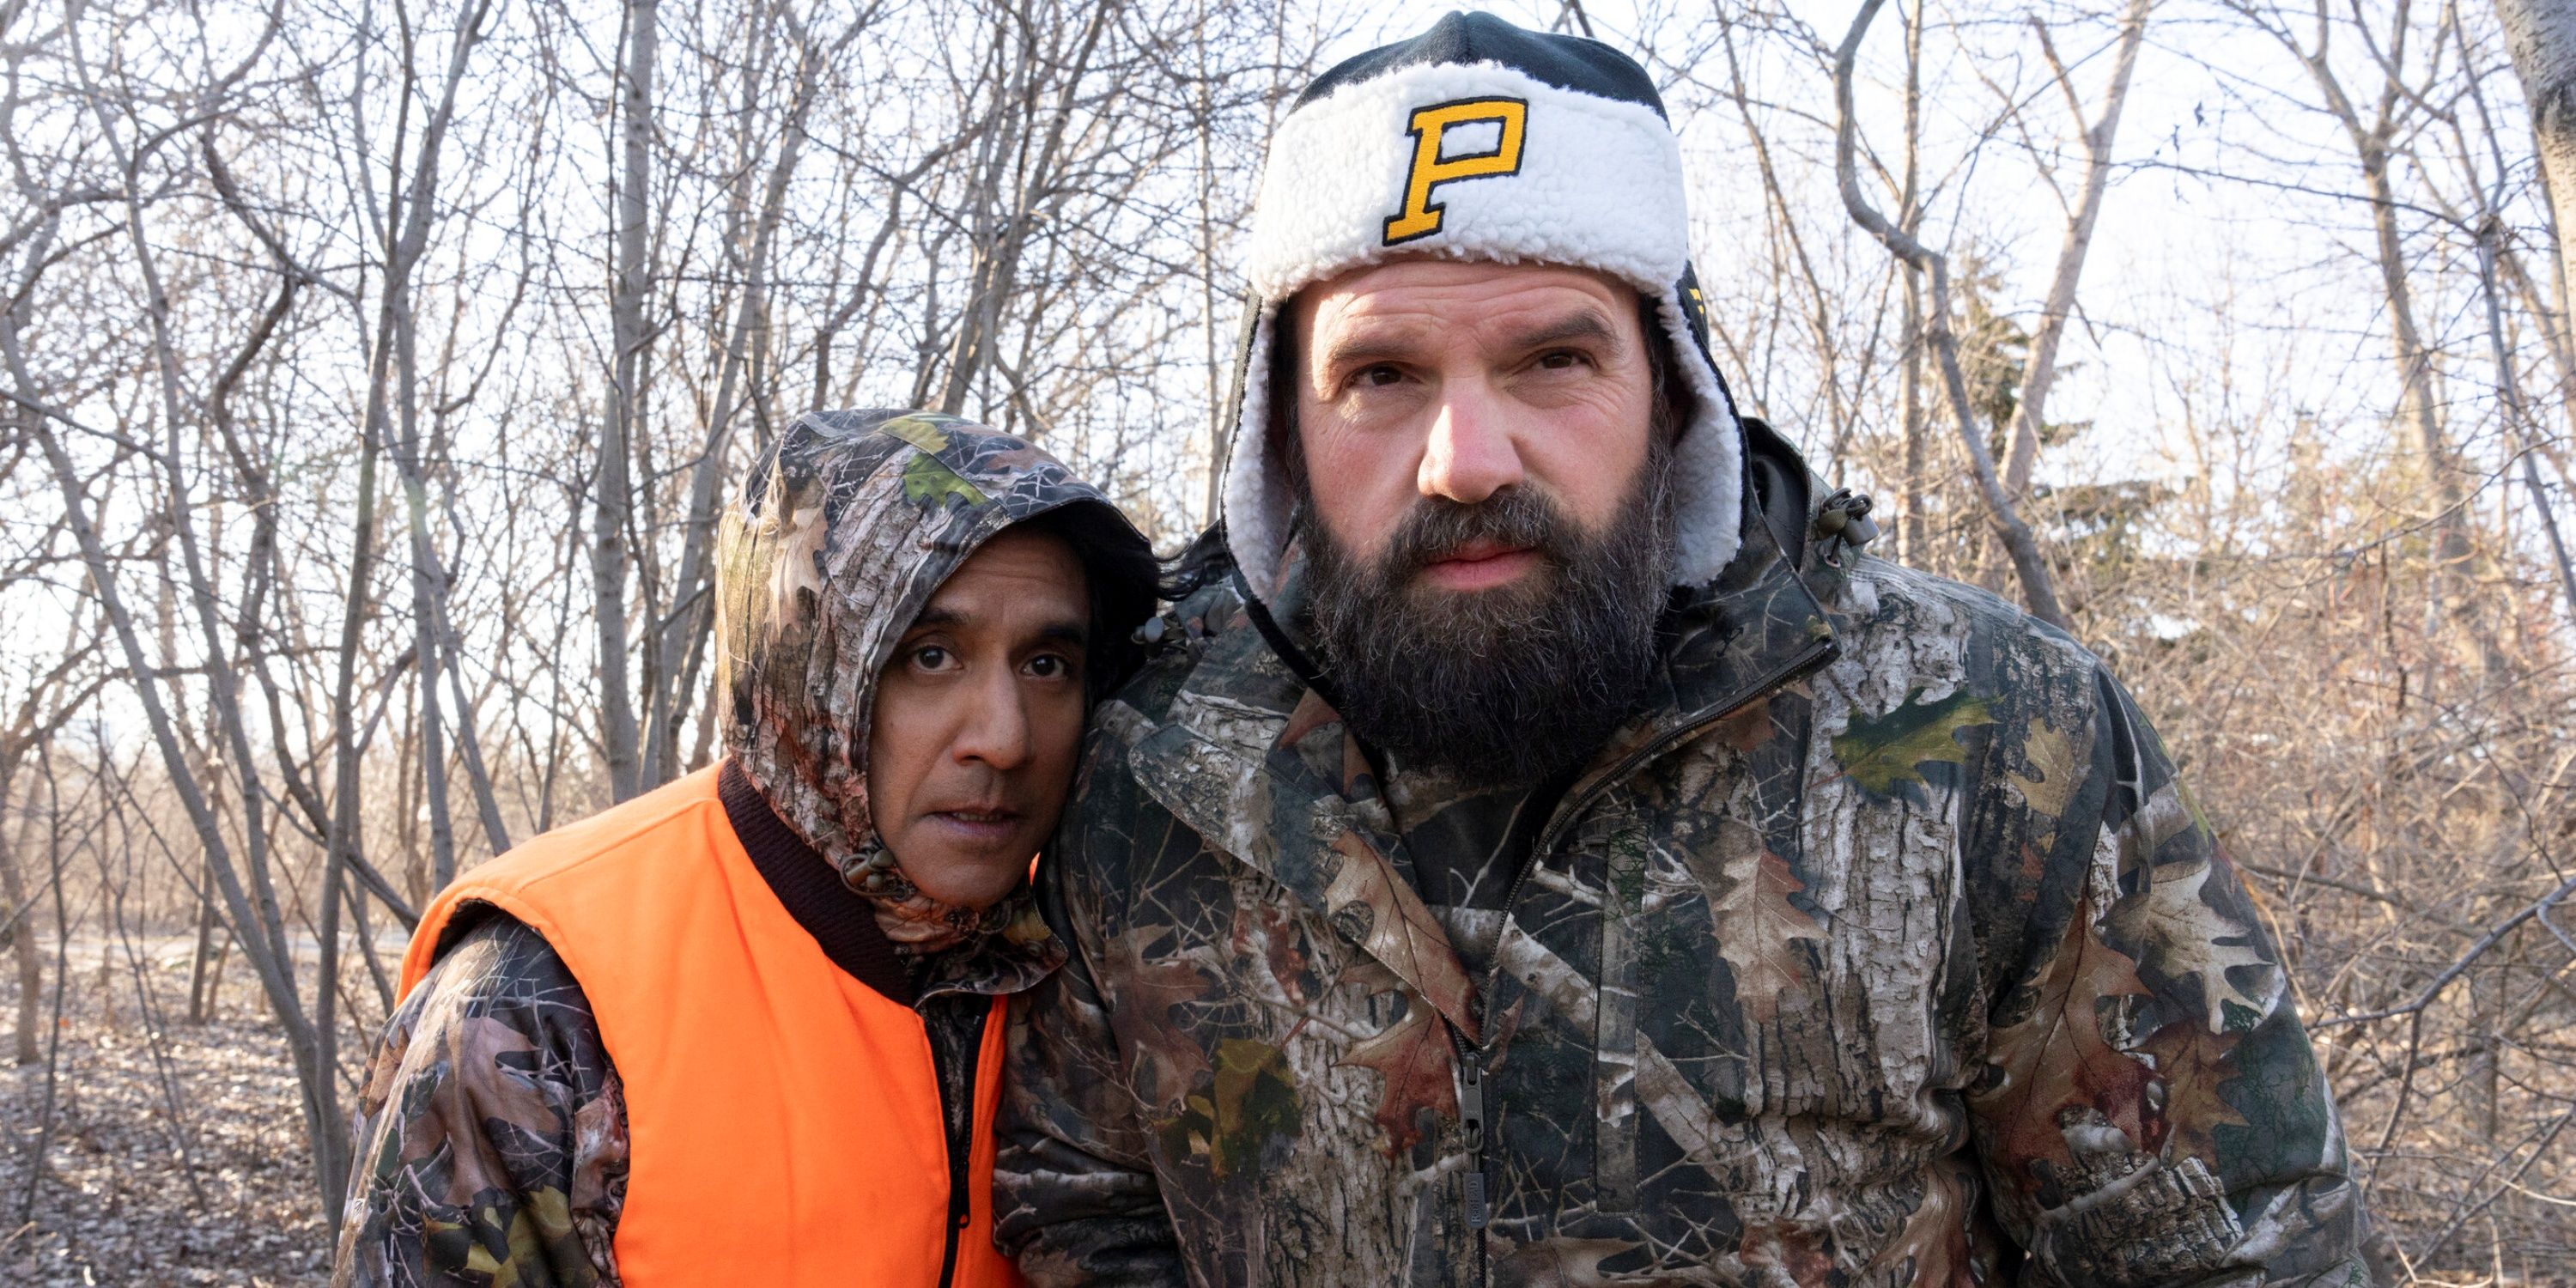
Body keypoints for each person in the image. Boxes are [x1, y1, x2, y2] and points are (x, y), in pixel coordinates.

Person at [995, 13, 2387, 1286]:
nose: (1467, 462)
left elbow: (2239, 1255)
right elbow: (1080, 1204)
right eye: (1382, 375)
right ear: (1279, 434)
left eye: (1554, 359)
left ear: (1670, 392)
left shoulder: (1996, 729)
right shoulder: (1149, 756)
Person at [331, 410, 1154, 1288]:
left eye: (1046, 665)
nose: (1005, 738)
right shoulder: (537, 1001)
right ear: (803, 671)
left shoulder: (1109, 963)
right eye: (929, 656)